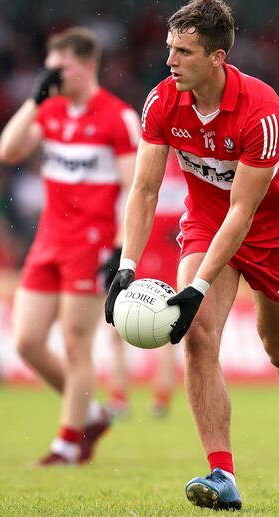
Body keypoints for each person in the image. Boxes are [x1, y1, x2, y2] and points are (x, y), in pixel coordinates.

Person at [104, 0, 279, 509]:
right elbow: (144, 190)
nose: (170, 60)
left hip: (270, 233)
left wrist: (197, 287)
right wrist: (126, 267)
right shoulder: (162, 101)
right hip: (204, 223)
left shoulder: (261, 110)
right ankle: (222, 473)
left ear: (217, 58)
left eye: (183, 52)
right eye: (169, 48)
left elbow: (243, 212)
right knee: (197, 336)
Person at [0, 27, 139, 466]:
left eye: (62, 68)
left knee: (77, 344)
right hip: (48, 240)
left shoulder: (117, 117)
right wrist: (34, 100)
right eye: (49, 68)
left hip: (91, 244)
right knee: (27, 341)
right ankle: (91, 414)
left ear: (88, 66)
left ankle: (68, 443)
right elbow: (7, 151)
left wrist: (120, 248)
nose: (53, 76)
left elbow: (134, 189)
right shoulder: (51, 109)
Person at [107, 150, 186, 419]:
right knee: (160, 329)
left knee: (130, 329)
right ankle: (151, 399)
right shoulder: (180, 167)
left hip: (146, 255)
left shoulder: (148, 166)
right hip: (152, 256)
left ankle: (130, 398)